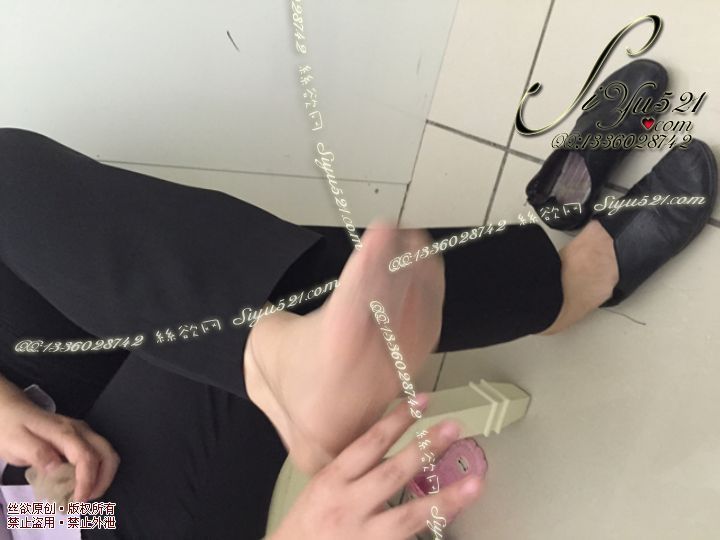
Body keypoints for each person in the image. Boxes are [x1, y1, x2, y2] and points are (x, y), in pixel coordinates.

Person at [0, 116, 715, 539]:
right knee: (227, 323)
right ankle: (559, 286)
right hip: (103, 526)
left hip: (25, 495)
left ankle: (274, 357)